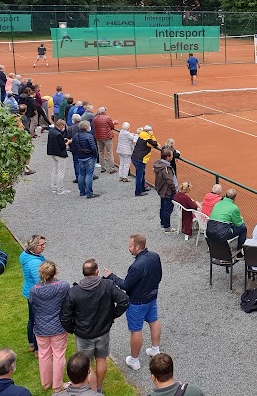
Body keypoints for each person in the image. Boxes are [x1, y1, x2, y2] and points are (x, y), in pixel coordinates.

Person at [60, 259, 129, 393]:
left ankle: (90, 391)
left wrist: (72, 329)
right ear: (96, 272)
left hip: (84, 334)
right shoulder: (107, 285)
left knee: (86, 364)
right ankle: (98, 389)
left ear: (84, 273)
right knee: (101, 359)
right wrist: (112, 315)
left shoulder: (74, 292)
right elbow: (124, 300)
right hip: (103, 332)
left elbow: (65, 316)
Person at [104, 235, 163, 372]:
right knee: (154, 321)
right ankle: (155, 349)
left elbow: (126, 285)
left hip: (137, 302)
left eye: (130, 246)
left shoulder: (136, 266)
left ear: (137, 247)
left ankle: (134, 360)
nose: (128, 248)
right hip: (152, 297)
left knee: (136, 330)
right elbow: (159, 275)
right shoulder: (155, 256)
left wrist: (111, 276)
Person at [29, 261, 70, 391]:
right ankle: (57, 385)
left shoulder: (34, 290)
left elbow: (31, 303)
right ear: (55, 271)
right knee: (58, 355)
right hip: (58, 327)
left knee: (43, 354)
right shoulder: (63, 286)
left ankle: (46, 383)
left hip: (41, 327)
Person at [20, 235, 47, 353]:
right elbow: (40, 282)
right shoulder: (35, 263)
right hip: (36, 295)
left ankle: (31, 344)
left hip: (28, 291)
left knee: (32, 319)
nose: (44, 247)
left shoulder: (26, 255)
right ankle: (37, 348)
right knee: (37, 321)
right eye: (42, 245)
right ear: (34, 246)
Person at [206, 188, 248, 254]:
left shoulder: (217, 204)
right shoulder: (234, 207)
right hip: (221, 235)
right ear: (234, 198)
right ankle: (240, 252)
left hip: (209, 232)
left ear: (225, 195)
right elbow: (239, 224)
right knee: (243, 228)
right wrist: (241, 219)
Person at [153, 148, 177, 233]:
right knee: (167, 209)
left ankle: (163, 224)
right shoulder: (166, 168)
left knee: (163, 207)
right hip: (167, 192)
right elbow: (169, 181)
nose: (172, 157)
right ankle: (167, 227)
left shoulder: (159, 164)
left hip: (162, 190)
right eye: (171, 155)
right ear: (168, 157)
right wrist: (175, 191)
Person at [74, 121, 98, 199]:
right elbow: (93, 147)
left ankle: (82, 192)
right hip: (89, 157)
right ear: (85, 127)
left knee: (81, 174)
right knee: (89, 175)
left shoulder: (76, 136)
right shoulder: (89, 136)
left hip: (80, 157)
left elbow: (73, 147)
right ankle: (89, 193)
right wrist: (95, 156)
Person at [132, 126, 159, 196]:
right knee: (139, 176)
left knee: (142, 173)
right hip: (140, 159)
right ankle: (138, 192)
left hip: (137, 158)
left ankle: (142, 188)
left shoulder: (143, 135)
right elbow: (155, 143)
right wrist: (152, 135)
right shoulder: (147, 139)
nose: (152, 131)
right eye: (151, 131)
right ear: (148, 131)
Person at [47, 120, 71, 195]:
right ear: (61, 126)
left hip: (53, 153)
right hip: (60, 154)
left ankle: (54, 187)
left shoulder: (52, 131)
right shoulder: (58, 134)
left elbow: (56, 140)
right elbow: (63, 146)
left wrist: (62, 140)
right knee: (61, 172)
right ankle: (60, 189)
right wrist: (68, 142)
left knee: (55, 170)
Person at [92, 107, 118, 174]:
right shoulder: (107, 118)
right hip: (107, 137)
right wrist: (113, 123)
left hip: (98, 137)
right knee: (109, 153)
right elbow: (112, 126)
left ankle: (102, 168)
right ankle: (111, 168)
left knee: (100, 152)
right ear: (104, 112)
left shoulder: (95, 119)